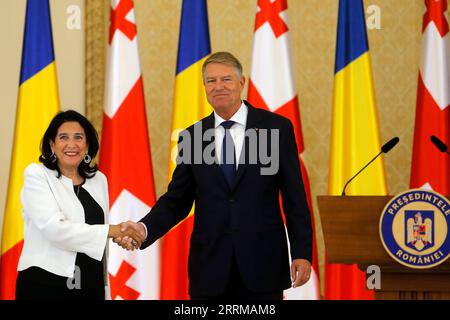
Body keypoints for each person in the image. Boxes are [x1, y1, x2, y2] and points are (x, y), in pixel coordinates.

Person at [117, 52, 313, 300]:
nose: (218, 86)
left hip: (262, 265)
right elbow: (178, 199)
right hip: (209, 269)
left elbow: (294, 197)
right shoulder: (192, 137)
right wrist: (144, 228)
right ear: (204, 87)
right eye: (211, 81)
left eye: (226, 79)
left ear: (241, 83)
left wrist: (302, 252)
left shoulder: (276, 128)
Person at [15, 110, 144, 300]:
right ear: (52, 144)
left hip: (90, 284)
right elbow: (55, 229)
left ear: (87, 145)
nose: (71, 144)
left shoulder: (98, 179)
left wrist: (121, 235)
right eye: (63, 137)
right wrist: (113, 231)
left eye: (78, 137)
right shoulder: (37, 175)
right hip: (45, 285)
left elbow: (99, 231)